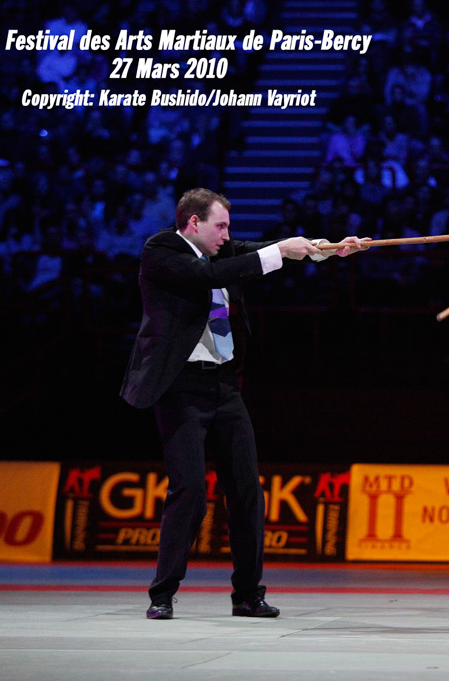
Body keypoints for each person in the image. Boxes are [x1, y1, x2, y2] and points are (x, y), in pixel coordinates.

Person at [120, 188, 366, 620]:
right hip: (180, 387)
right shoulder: (161, 251)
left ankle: (248, 595)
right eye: (220, 226)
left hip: (223, 385)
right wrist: (279, 252)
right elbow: (208, 276)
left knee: (247, 490)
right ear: (193, 223)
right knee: (189, 490)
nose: (227, 235)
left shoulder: (222, 250)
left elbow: (258, 250)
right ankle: (162, 594)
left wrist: (322, 249)